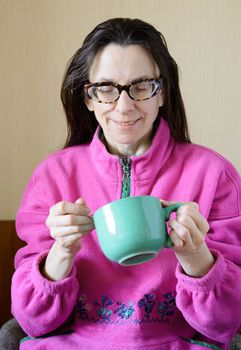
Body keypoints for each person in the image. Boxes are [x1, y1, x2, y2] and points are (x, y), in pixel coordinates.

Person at [11, 18, 241, 350]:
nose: (123, 105)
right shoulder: (53, 176)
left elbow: (226, 324)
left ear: (162, 93)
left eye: (141, 85)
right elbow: (31, 321)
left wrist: (197, 259)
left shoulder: (214, 174)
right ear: (88, 97)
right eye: (106, 88)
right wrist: (60, 254)